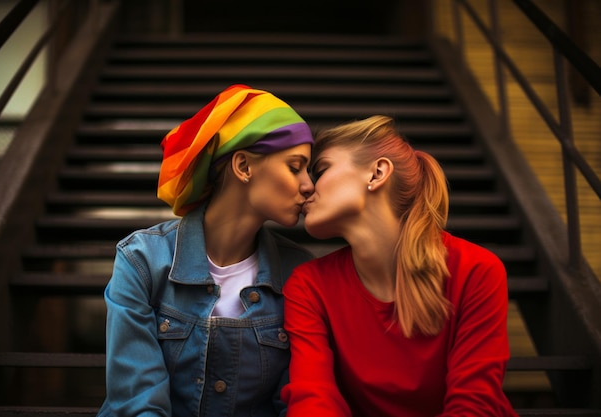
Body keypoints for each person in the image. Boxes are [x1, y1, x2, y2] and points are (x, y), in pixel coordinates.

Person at [96, 84, 315, 417]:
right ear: (243, 166)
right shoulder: (142, 261)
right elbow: (137, 404)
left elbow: (290, 405)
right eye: (295, 166)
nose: (309, 185)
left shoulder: (299, 273)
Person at [280, 115, 518, 416]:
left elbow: (474, 404)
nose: (306, 188)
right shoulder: (309, 285)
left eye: (322, 169)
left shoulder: (475, 270)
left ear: (377, 173)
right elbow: (313, 398)